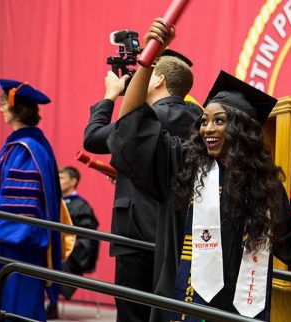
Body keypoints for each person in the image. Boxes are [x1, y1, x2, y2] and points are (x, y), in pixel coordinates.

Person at [108, 20, 291, 322]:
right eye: (204, 121)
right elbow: (132, 124)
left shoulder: (262, 184)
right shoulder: (183, 165)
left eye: (219, 120)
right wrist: (149, 58)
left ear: (242, 129)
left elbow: (289, 239)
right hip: (180, 304)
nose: (208, 128)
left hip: (236, 307)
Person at [84, 48, 202, 321]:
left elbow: (92, 138)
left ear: (159, 80)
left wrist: (110, 94)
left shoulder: (145, 121)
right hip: (177, 237)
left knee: (132, 313)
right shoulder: (200, 119)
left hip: (135, 235)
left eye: (145, 75)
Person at [0, 79, 62, 321]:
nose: (1, 109)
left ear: (15, 109)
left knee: (17, 311)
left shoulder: (25, 149)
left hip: (18, 247)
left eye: (4, 104)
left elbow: (21, 211)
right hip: (17, 246)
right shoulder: (29, 144)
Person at [46, 166, 99, 319]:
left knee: (55, 258)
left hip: (74, 252)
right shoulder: (55, 202)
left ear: (73, 181)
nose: (58, 181)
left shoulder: (81, 206)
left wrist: (65, 246)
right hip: (53, 247)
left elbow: (87, 238)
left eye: (62, 178)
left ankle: (53, 302)